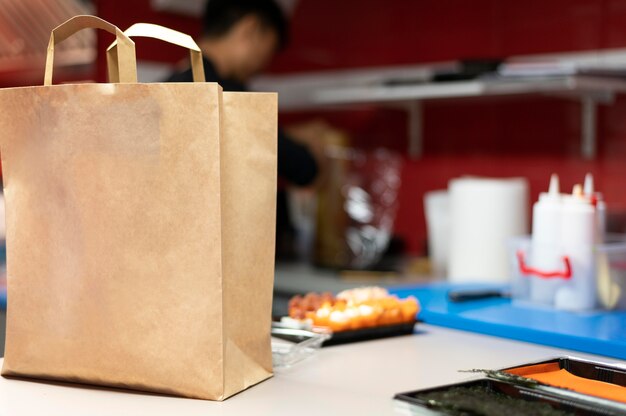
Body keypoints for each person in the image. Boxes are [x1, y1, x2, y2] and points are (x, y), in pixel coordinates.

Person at [166, 0, 320, 259]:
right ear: (251, 30)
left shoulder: (168, 85)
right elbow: (304, 167)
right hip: (217, 263)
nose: (262, 66)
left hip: (171, 260)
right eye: (267, 52)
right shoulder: (228, 95)